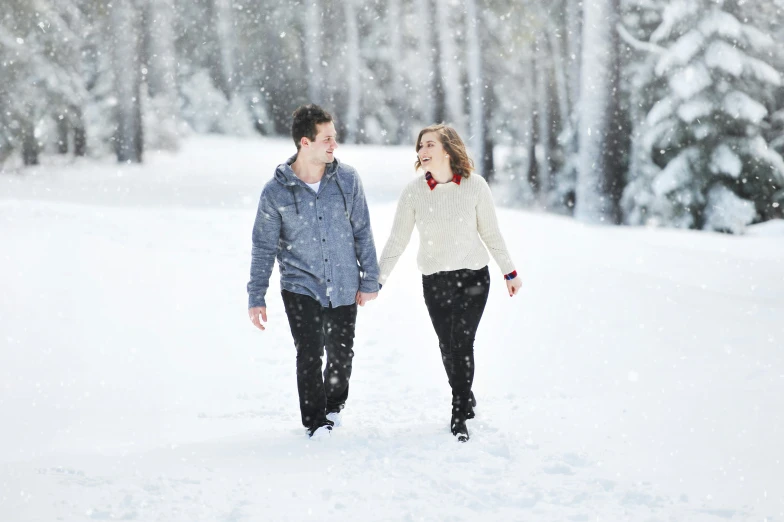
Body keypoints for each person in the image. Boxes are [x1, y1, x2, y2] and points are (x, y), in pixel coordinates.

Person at [377, 124, 522, 442]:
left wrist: (509, 272)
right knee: (448, 345)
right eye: (420, 146)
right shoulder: (414, 192)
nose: (422, 151)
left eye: (429, 144)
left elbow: (491, 233)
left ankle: (458, 411)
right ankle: (465, 393)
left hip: (473, 278)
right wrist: (378, 279)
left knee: (462, 344)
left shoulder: (475, 186)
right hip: (435, 281)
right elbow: (397, 240)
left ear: (447, 149)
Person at [247, 104, 380, 439]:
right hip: (299, 285)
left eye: (334, 137)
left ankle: (334, 406)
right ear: (305, 143)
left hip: (345, 282)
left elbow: (362, 230)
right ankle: (315, 421)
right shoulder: (275, 192)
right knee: (308, 353)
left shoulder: (347, 180)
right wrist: (256, 296)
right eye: (327, 139)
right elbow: (263, 246)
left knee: (341, 354)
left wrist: (370, 278)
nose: (334, 144)